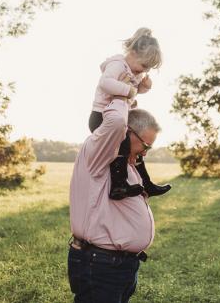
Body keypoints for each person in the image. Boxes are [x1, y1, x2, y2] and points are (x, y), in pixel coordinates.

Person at [69, 98, 161, 303]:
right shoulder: (98, 156)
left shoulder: (124, 163)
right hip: (101, 265)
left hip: (121, 266)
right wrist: (125, 92)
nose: (145, 152)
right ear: (127, 133)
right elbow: (118, 120)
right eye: (145, 145)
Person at [88, 27, 170, 200]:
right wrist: (129, 90)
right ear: (132, 53)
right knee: (124, 144)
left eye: (148, 69)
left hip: (119, 116)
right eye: (143, 65)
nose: (144, 71)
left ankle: (146, 183)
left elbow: (134, 91)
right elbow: (106, 83)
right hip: (101, 117)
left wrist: (143, 88)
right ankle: (118, 185)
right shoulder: (117, 65)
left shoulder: (134, 71)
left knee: (134, 148)